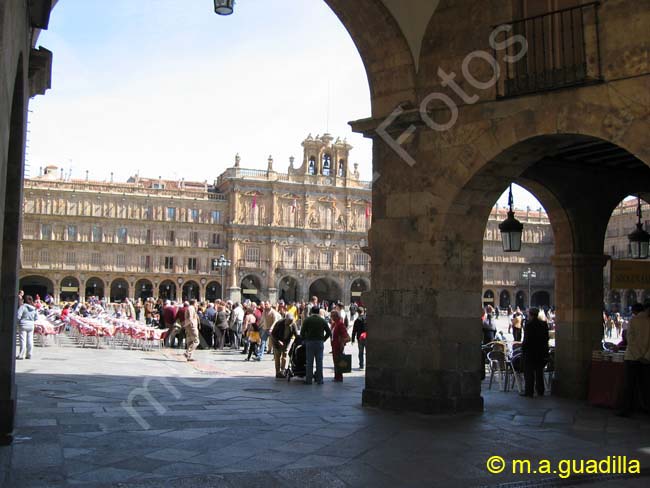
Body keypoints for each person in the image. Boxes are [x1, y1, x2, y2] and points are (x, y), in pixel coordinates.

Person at [618, 303, 650, 416]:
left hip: (632, 357)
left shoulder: (633, 321)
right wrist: (646, 356)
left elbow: (630, 340)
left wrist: (637, 356)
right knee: (645, 385)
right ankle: (645, 408)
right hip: (645, 360)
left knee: (629, 385)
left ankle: (626, 410)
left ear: (634, 311)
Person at [521, 308, 550, 397]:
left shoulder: (529, 325)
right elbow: (546, 338)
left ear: (530, 314)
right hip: (541, 351)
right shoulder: (543, 324)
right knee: (539, 372)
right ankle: (540, 390)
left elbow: (527, 339)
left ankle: (529, 391)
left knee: (529, 372)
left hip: (530, 352)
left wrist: (523, 349)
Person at [300, 306, 331, 385]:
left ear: (311, 311)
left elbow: (302, 333)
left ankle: (309, 380)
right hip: (319, 342)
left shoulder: (307, 320)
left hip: (310, 342)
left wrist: (305, 339)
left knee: (309, 362)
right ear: (319, 312)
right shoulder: (322, 320)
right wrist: (323, 339)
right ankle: (319, 380)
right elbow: (329, 332)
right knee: (319, 362)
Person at [271, 313, 298, 378]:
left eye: (291, 322)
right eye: (288, 322)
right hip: (277, 342)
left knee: (284, 356)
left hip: (286, 342)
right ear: (286, 319)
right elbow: (273, 334)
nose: (289, 324)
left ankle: (282, 371)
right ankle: (277, 372)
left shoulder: (293, 324)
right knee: (277, 357)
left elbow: (296, 334)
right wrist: (278, 341)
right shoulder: (279, 323)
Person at [330, 310, 350, 382]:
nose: (331, 317)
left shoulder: (340, 324)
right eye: (331, 316)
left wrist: (342, 342)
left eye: (333, 316)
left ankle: (339, 377)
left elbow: (347, 337)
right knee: (335, 361)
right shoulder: (334, 324)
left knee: (338, 361)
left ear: (337, 316)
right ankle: (336, 377)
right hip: (334, 346)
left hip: (338, 346)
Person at [16, 295, 38, 360]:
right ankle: (29, 354)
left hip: (23, 324)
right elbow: (36, 318)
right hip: (31, 325)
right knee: (30, 340)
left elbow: (18, 316)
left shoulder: (23, 307)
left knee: (23, 340)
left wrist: (17, 322)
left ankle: (21, 355)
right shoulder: (34, 308)